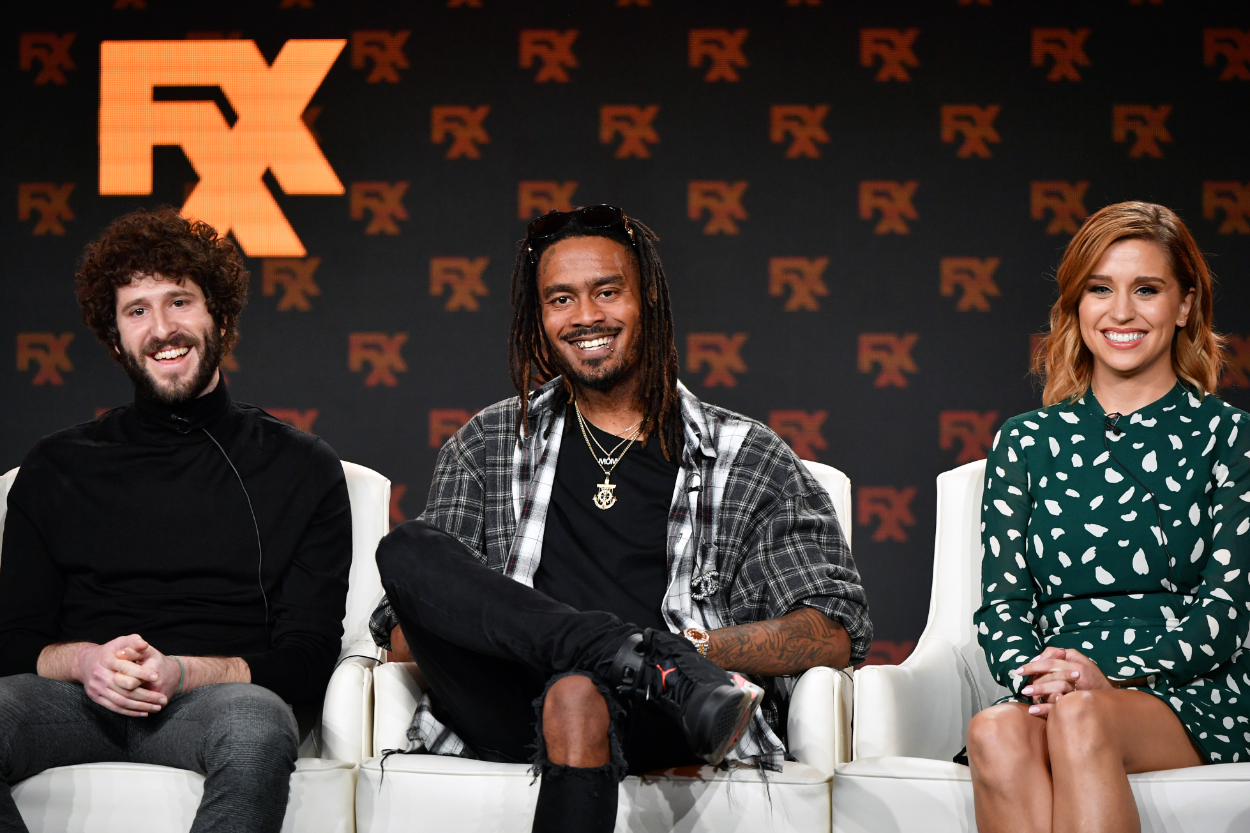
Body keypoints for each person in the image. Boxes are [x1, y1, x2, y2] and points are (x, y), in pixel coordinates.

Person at [369, 205, 871, 831]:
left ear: (648, 302)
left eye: (607, 292)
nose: (585, 317)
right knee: (407, 549)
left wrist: (698, 650)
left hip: (667, 711)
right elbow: (403, 634)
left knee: (577, 694)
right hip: (505, 693)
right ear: (540, 317)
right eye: (561, 299)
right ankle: (635, 654)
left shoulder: (748, 457)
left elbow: (832, 629)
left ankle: (652, 668)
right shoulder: (489, 443)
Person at [0, 207, 353, 833]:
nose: (162, 328)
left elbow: (308, 656)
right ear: (114, 338)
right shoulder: (56, 466)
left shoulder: (302, 467)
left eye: (180, 302)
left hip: (215, 705)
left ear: (220, 316)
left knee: (257, 724)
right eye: (137, 310)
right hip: (75, 703)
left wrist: (183, 671)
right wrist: (87, 663)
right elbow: (12, 639)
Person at [968, 201, 1249, 833]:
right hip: (1057, 687)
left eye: (1146, 290)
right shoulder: (1025, 440)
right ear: (1076, 306)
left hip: (1188, 690)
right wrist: (1039, 676)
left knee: (1083, 716)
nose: (1121, 312)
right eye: (1100, 290)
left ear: (1184, 306)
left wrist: (1109, 677)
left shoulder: (1228, 436)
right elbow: (1002, 604)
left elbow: (1228, 610)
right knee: (992, 730)